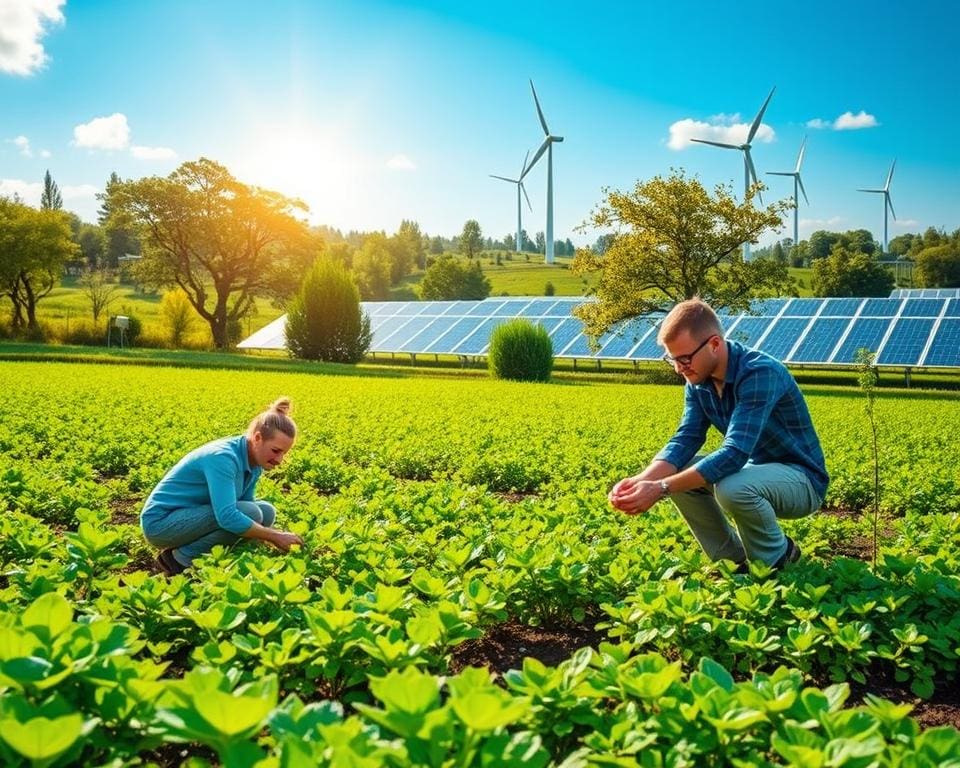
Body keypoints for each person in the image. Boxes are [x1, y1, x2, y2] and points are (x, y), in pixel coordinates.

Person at [609, 298, 828, 570]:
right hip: (754, 471)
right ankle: (734, 563)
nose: (679, 369)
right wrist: (641, 480)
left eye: (685, 359)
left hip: (801, 480)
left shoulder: (760, 373)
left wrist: (660, 488)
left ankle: (777, 561)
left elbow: (735, 453)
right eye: (673, 360)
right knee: (680, 472)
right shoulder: (698, 380)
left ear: (714, 344)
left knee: (731, 487)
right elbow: (686, 439)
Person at [141, 397, 304, 575]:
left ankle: (220, 554)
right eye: (276, 451)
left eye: (284, 453)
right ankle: (176, 561)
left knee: (265, 511)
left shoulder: (255, 461)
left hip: (190, 518)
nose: (279, 460)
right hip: (161, 524)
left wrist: (267, 540)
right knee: (249, 514)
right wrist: (275, 536)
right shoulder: (223, 458)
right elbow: (227, 516)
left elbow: (246, 503)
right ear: (257, 438)